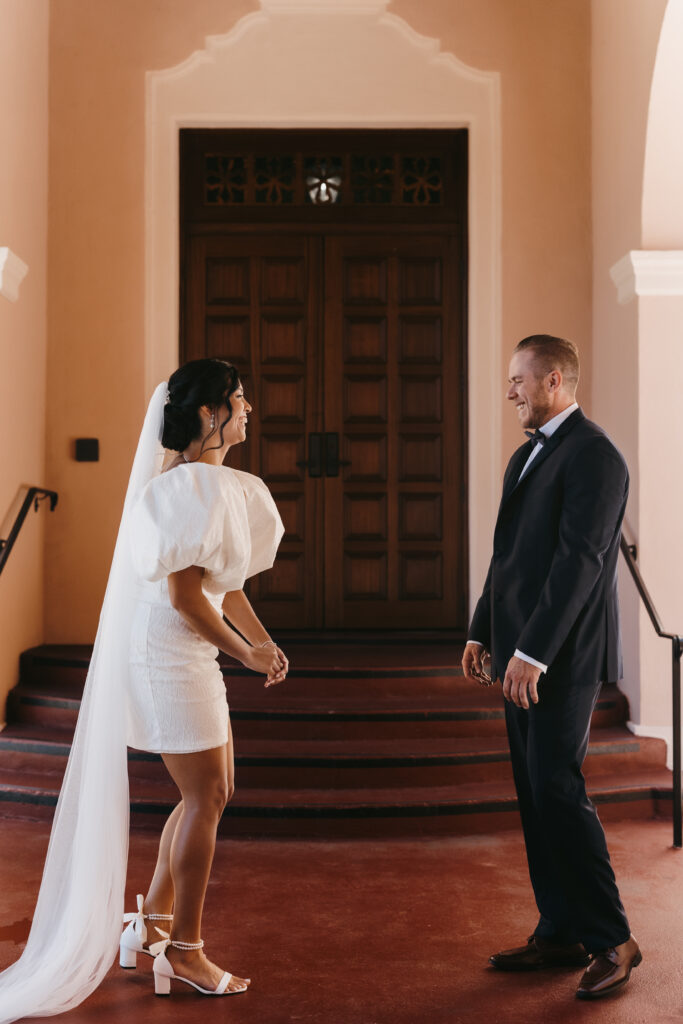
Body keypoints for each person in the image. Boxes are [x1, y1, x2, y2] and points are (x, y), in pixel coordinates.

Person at [0, 358, 285, 1020]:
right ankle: (183, 949)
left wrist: (261, 640)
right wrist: (242, 653)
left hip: (189, 648)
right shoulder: (182, 489)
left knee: (210, 792)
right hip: (167, 652)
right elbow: (187, 599)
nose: (248, 411)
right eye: (239, 401)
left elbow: (225, 585)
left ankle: (152, 926)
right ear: (210, 414)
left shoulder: (216, 485)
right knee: (207, 793)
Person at [462, 334, 641, 1001]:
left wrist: (533, 653)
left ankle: (612, 939)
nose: (509, 390)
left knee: (557, 788)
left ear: (556, 381)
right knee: (536, 795)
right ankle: (559, 930)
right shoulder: (524, 458)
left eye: (519, 380)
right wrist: (483, 629)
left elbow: (580, 563)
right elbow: (505, 554)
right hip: (515, 651)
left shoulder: (595, 457)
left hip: (558, 657)